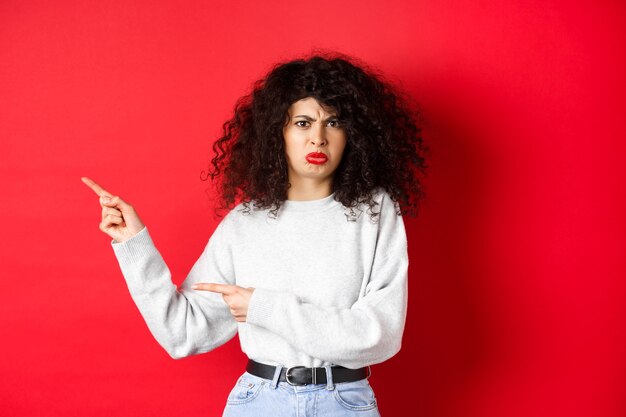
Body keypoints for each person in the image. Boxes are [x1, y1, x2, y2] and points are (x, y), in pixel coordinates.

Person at [82, 53, 427, 417]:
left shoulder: (375, 211)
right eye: (303, 123)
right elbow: (183, 333)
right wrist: (134, 245)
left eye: (334, 122)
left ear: (353, 134)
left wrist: (263, 307)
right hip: (260, 402)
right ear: (277, 131)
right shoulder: (244, 223)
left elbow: (379, 335)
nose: (318, 139)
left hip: (343, 402)